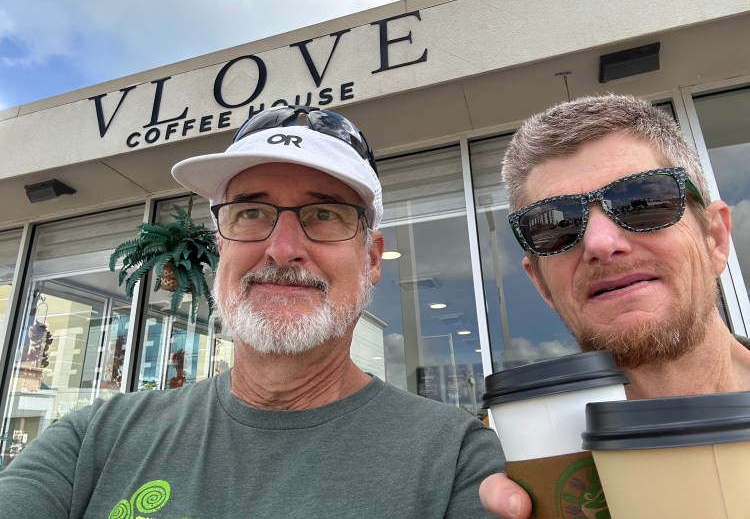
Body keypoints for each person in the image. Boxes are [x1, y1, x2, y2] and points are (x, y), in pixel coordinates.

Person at [0, 105, 504, 517]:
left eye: (323, 214)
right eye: (252, 213)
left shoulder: (457, 460)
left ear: (371, 258)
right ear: (221, 246)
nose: (282, 250)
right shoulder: (95, 440)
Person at [480, 93, 750, 519]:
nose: (601, 244)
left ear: (714, 238)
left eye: (641, 201)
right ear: (542, 285)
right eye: (557, 225)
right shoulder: (510, 457)